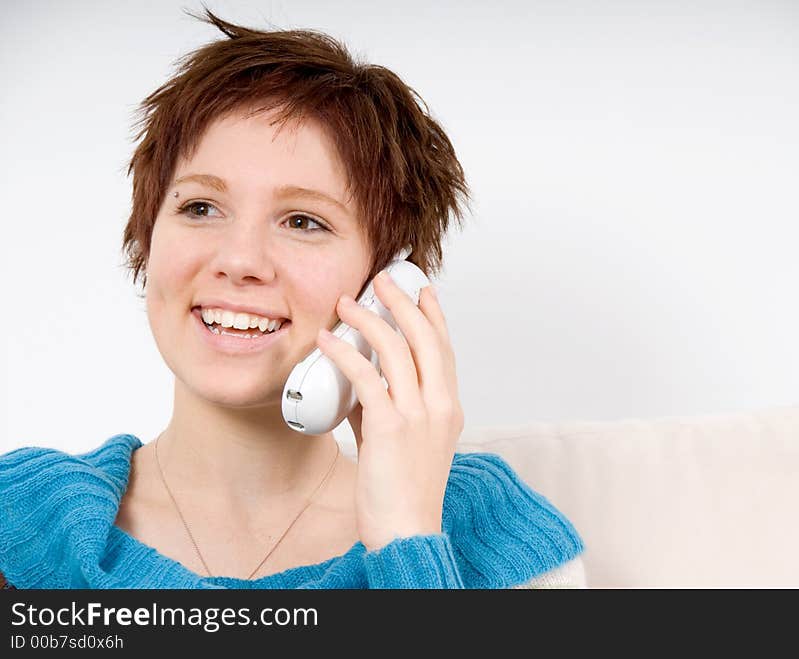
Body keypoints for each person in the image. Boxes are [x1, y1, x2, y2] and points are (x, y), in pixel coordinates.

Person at [0, 7, 585, 589]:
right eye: (199, 208)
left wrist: (408, 542)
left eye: (303, 221)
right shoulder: (22, 519)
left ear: (387, 281)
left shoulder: (490, 534)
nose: (239, 261)